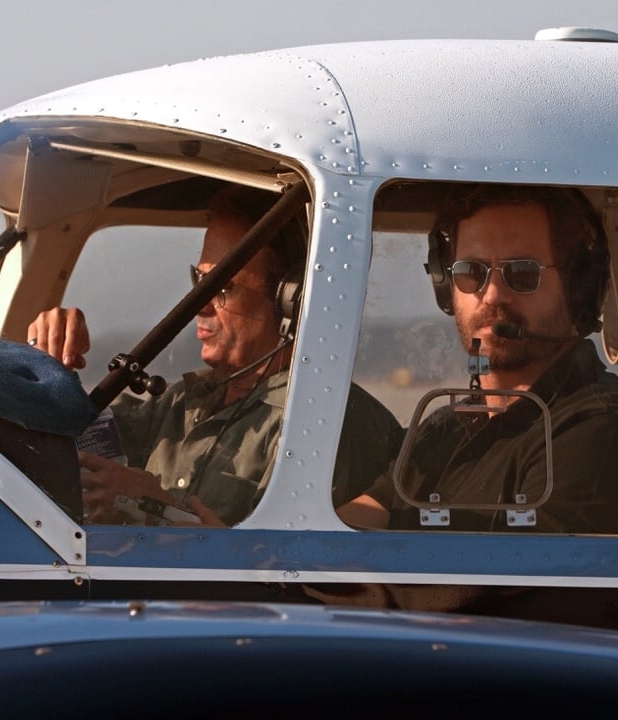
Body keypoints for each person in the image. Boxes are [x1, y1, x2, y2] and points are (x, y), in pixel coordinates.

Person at [30, 185, 402, 527]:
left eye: (222, 287)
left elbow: (294, 566)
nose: (200, 305)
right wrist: (50, 363)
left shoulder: (327, 421)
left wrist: (153, 507)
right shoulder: (180, 404)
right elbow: (77, 446)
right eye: (199, 281)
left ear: (289, 299)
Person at [339, 184, 618, 535]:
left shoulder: (600, 437)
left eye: (522, 273)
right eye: (471, 272)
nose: (492, 295)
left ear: (578, 289)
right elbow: (369, 511)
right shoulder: (449, 426)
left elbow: (514, 570)